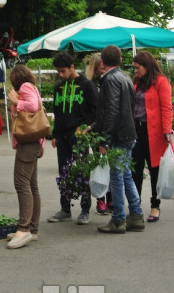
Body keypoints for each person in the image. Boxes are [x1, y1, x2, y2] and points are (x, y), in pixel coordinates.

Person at [94, 45, 145, 234]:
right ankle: (136, 215)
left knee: (117, 178)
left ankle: (118, 219)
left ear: (102, 62)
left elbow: (112, 111)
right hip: (129, 133)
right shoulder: (125, 78)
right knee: (126, 175)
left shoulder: (110, 80)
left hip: (118, 136)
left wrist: (105, 140)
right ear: (120, 60)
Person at [47, 52, 97, 225]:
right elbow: (58, 112)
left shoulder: (87, 85)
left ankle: (85, 210)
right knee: (64, 172)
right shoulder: (58, 88)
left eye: (63, 71)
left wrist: (84, 127)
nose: (61, 75)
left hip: (79, 136)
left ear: (72, 67)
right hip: (62, 136)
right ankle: (65, 208)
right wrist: (55, 134)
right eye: (58, 72)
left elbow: (96, 111)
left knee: (82, 171)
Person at [130, 51, 173, 223]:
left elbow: (166, 107)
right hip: (136, 131)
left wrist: (167, 130)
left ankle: (155, 205)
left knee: (155, 170)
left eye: (137, 68)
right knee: (135, 170)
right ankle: (136, 205)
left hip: (154, 132)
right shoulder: (136, 83)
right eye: (134, 68)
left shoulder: (161, 82)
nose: (135, 71)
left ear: (147, 66)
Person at [7, 65, 45, 248]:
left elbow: (33, 106)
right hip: (33, 142)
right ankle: (32, 228)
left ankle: (23, 230)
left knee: (21, 183)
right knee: (31, 185)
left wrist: (16, 101)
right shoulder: (32, 87)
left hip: (28, 143)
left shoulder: (24, 88)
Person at [86, 52, 112, 214]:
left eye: (105, 67)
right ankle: (100, 199)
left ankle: (111, 199)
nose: (104, 70)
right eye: (101, 67)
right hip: (95, 130)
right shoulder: (91, 84)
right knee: (99, 164)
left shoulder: (109, 82)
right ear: (95, 68)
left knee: (110, 165)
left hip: (108, 128)